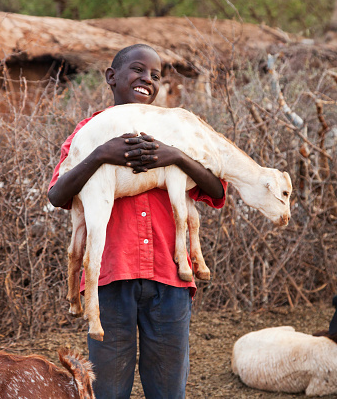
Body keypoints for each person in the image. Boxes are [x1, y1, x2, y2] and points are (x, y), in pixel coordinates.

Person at [48, 44, 227, 399]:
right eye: (137, 70)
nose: (147, 79)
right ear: (112, 78)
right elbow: (57, 194)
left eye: (156, 75)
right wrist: (101, 154)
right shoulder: (92, 131)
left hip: (171, 277)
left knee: (168, 388)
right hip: (111, 278)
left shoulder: (174, 131)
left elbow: (216, 190)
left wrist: (175, 156)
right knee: (110, 389)